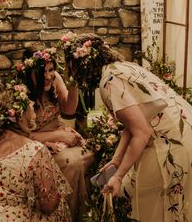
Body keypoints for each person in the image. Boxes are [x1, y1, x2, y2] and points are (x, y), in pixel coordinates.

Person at [61, 32, 192, 222]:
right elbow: (132, 125)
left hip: (171, 142)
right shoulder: (121, 67)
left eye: (70, 68)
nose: (70, 74)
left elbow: (141, 132)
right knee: (174, 206)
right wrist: (116, 161)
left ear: (81, 66)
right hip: (185, 131)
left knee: (148, 200)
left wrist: (119, 176)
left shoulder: (109, 82)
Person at [0, 82, 72, 222]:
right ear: (20, 117)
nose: (34, 110)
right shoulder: (34, 150)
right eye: (31, 107)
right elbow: (49, 205)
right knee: (58, 206)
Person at [15, 47, 94, 222]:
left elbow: (68, 110)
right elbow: (22, 135)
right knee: (73, 163)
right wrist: (59, 136)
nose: (49, 75)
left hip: (58, 132)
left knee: (90, 153)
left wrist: (73, 84)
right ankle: (69, 216)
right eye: (43, 72)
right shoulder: (20, 91)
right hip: (37, 143)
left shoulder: (54, 78)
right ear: (30, 72)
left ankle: (89, 213)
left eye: (51, 70)